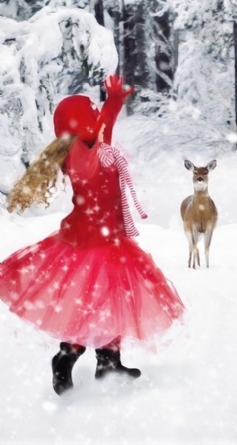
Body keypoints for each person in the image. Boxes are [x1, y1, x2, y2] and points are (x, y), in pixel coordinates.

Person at [0, 75, 184, 395]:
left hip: (105, 238)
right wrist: (107, 114)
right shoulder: (80, 156)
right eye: (92, 111)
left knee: (111, 302)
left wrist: (112, 102)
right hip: (92, 243)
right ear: (81, 125)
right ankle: (68, 356)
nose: (98, 114)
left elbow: (103, 130)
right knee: (95, 303)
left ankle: (108, 361)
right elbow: (100, 140)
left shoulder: (90, 146)